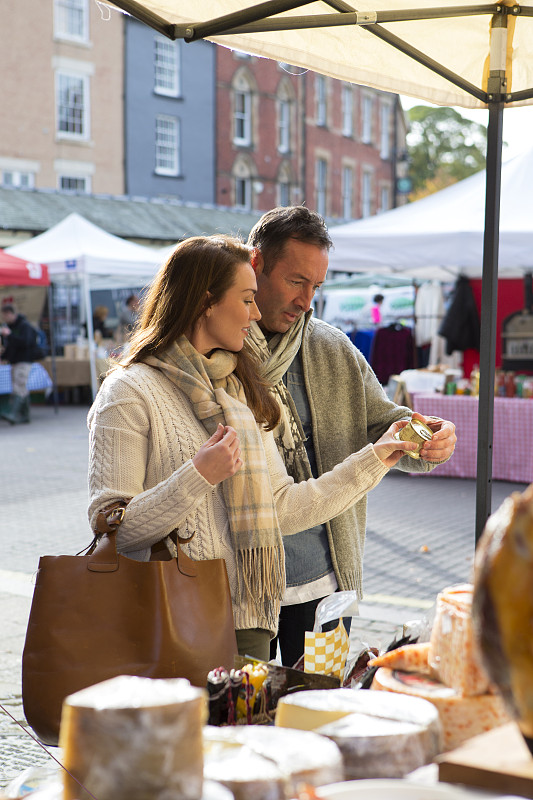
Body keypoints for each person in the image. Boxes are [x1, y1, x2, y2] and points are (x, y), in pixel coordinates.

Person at [87, 235, 422, 662]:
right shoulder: (129, 391)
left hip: (249, 617)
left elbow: (282, 506)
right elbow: (112, 528)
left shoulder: (238, 389)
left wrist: (376, 458)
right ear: (206, 301)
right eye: (247, 299)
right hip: (171, 614)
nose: (257, 313)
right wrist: (198, 475)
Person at [245, 206, 457, 666]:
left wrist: (430, 439)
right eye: (296, 281)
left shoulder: (331, 346)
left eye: (316, 286)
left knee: (319, 711)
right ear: (255, 262)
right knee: (242, 718)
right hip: (239, 588)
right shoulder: (218, 347)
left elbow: (385, 423)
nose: (307, 301)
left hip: (326, 587)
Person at [0, 303, 39, 424]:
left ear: (12, 314)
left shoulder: (24, 326)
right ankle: (25, 416)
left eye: (6, 315)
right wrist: (4, 357)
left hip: (24, 360)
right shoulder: (11, 326)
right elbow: (11, 347)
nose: (5, 318)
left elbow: (25, 343)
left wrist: (10, 335)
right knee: (21, 387)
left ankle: (13, 414)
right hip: (15, 361)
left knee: (19, 386)